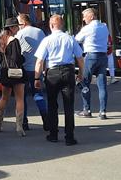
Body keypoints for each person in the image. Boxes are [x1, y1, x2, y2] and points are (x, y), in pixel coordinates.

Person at [33, 14, 85, 145]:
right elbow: (80, 57)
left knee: (52, 105)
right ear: (62, 25)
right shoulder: (70, 39)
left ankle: (53, 134)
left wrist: (36, 78)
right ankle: (69, 137)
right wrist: (81, 73)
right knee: (69, 105)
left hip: (52, 73)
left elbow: (40, 61)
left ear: (51, 26)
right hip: (68, 71)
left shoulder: (47, 40)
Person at [74, 8, 109, 119]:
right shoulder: (104, 26)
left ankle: (87, 110)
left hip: (91, 57)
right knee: (102, 86)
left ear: (92, 16)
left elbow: (76, 39)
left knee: (85, 84)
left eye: (85, 16)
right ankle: (102, 112)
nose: (83, 19)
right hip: (103, 56)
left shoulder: (87, 28)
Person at [0, 17, 26, 136]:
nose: (18, 28)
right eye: (17, 26)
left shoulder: (1, 40)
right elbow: (17, 58)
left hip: (5, 71)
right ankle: (19, 126)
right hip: (16, 72)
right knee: (19, 99)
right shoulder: (14, 41)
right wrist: (24, 58)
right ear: (12, 28)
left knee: (4, 97)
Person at [16, 13, 46, 131]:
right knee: (38, 95)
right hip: (37, 69)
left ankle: (24, 122)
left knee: (22, 97)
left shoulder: (20, 34)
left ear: (23, 23)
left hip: (24, 69)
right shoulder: (40, 32)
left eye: (19, 24)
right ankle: (46, 120)